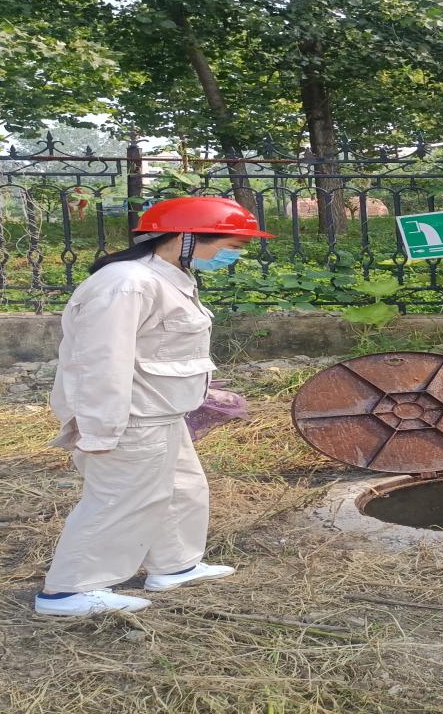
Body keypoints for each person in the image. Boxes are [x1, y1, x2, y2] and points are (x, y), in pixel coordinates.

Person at [34, 196, 274, 617]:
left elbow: (162, 352)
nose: (234, 256)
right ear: (185, 238)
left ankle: (174, 565)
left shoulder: (168, 278)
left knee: (182, 490)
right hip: (129, 417)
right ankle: (70, 591)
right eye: (231, 246)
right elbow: (99, 362)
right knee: (121, 499)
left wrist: (197, 394)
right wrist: (101, 429)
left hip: (161, 413)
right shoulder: (126, 284)